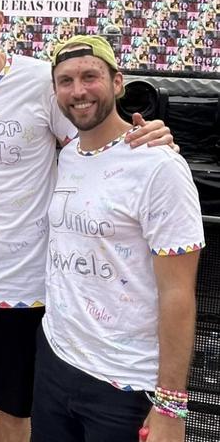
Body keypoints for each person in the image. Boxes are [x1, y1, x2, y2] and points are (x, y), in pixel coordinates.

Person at [0, 0, 174, 442]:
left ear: (0, 21)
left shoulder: (41, 80)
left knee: (14, 416)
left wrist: (149, 138)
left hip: (26, 284)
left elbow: (89, 143)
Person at [31, 35, 204, 442]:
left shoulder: (159, 166)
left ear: (118, 83)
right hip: (57, 359)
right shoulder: (68, 153)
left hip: (124, 383)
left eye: (90, 76)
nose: (78, 91)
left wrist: (170, 405)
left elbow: (179, 293)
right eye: (66, 80)